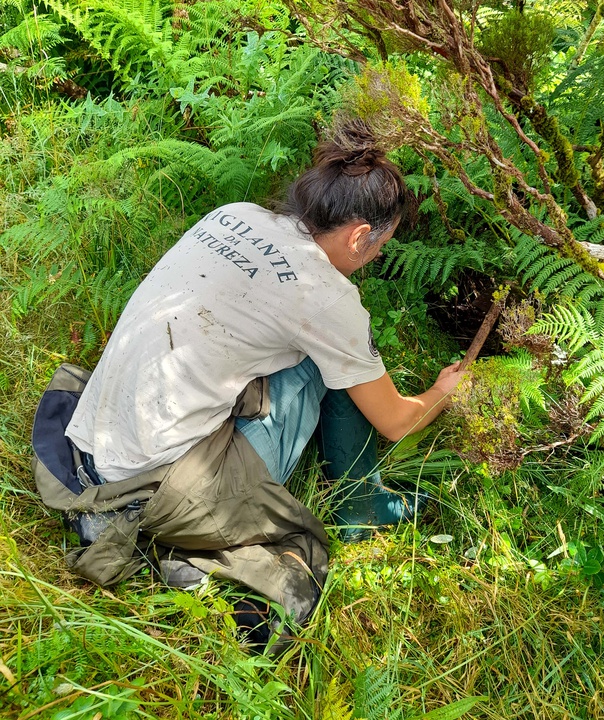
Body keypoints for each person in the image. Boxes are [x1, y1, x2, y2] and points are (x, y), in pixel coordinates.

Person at [46, 121, 463, 647]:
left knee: (311, 354)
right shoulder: (327, 297)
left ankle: (161, 529)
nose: (376, 255)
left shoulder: (234, 217)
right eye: (381, 243)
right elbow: (397, 420)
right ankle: (359, 507)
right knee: (333, 365)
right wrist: (443, 392)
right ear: (360, 234)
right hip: (156, 485)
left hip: (90, 445)